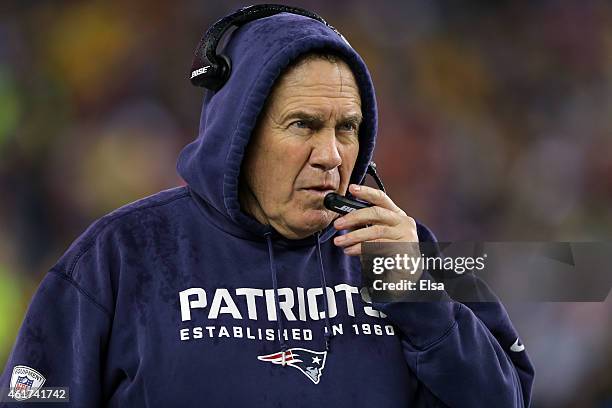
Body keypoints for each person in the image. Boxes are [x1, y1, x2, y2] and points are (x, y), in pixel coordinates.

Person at [0, 5, 534, 407]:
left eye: (347, 129)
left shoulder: (407, 249)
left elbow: (506, 398)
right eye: (303, 125)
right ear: (241, 135)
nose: (330, 156)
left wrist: (420, 296)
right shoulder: (120, 254)